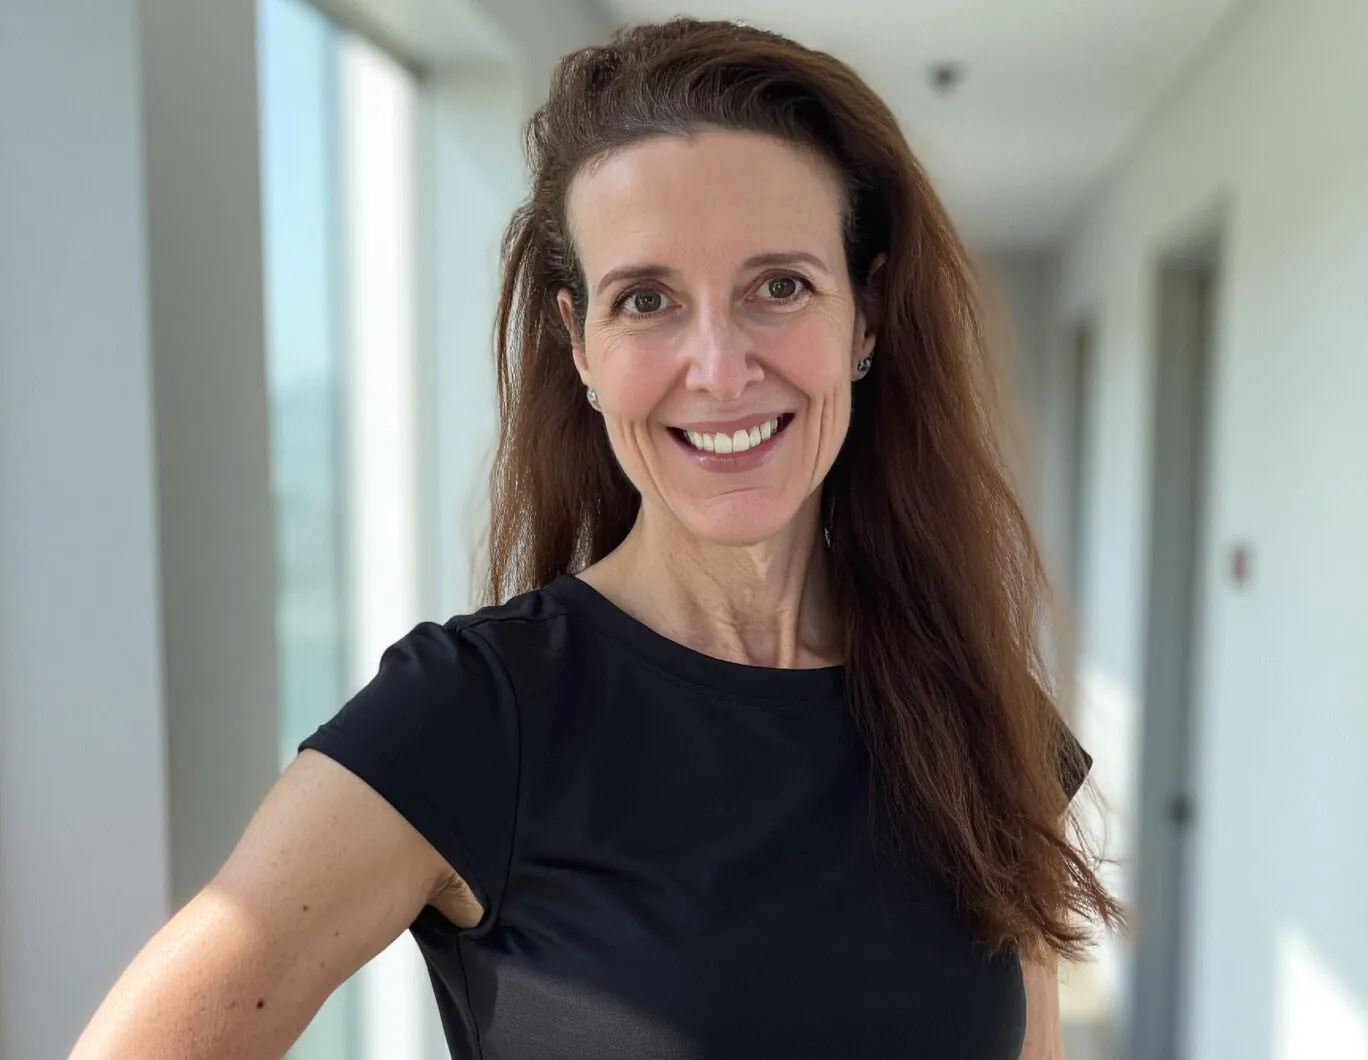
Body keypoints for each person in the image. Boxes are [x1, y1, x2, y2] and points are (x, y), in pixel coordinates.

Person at [73, 18, 1120, 1060]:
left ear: (866, 316)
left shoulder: (974, 700)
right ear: (580, 344)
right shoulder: (475, 714)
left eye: (780, 286)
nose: (717, 366)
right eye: (648, 300)